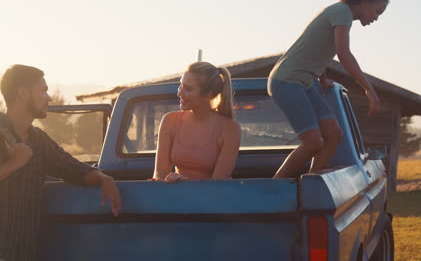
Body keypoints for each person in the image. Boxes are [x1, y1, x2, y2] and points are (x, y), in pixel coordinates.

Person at [0, 65, 122, 261]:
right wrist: (13, 163)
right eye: (42, 91)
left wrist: (103, 178)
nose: (48, 97)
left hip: (23, 252)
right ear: (23, 94)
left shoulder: (38, 140)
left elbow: (71, 167)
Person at [268, 0, 391, 178]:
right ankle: (272, 190)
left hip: (305, 82)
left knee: (333, 135)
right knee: (313, 144)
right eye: (378, 11)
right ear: (365, 0)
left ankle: (312, 186)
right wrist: (369, 90)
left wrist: (322, 79)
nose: (376, 17)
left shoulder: (341, 14)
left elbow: (318, 49)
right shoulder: (342, 12)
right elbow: (343, 53)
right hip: (287, 81)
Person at [152, 62, 241, 182]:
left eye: (188, 89)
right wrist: (169, 181)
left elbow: (218, 185)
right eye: (180, 85)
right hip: (174, 196)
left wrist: (186, 183)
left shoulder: (230, 129)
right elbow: (159, 175)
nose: (179, 93)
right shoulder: (169, 121)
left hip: (210, 199)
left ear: (208, 95)